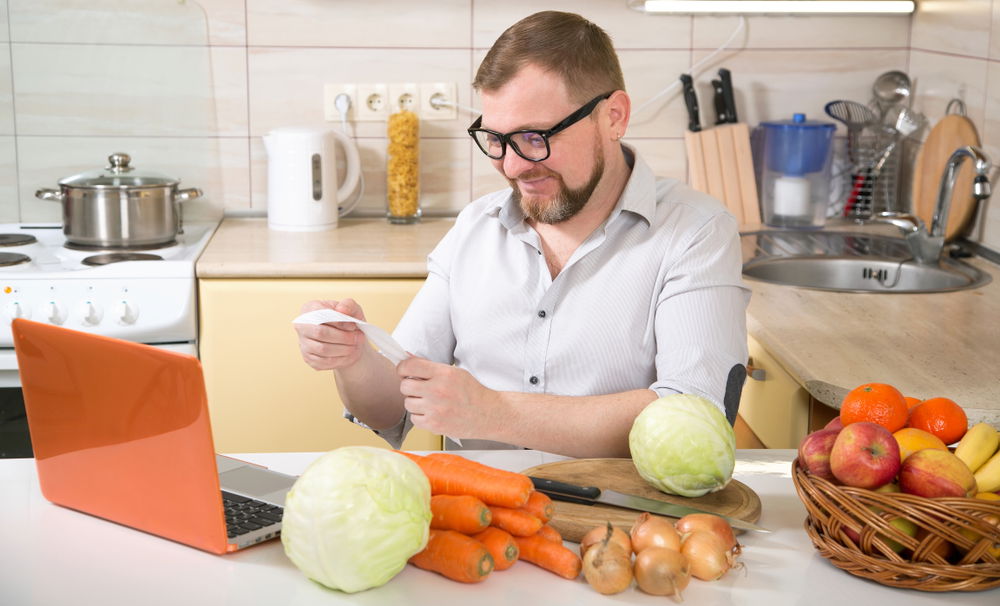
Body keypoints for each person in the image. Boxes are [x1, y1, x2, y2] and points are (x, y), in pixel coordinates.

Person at [295, 11, 749, 458]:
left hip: (629, 523)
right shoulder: (476, 228)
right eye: (495, 139)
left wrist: (494, 412)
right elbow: (392, 406)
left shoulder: (696, 233)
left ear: (613, 117)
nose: (512, 167)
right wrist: (354, 360)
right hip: (480, 519)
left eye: (535, 137)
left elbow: (695, 413)